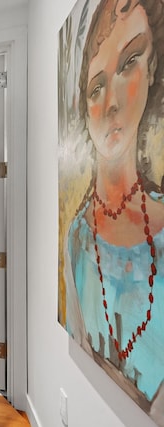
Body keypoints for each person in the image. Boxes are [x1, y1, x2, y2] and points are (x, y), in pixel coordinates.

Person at [65, 0, 164, 410]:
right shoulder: (77, 238)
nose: (112, 104)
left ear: (153, 67)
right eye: (96, 88)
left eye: (130, 63)